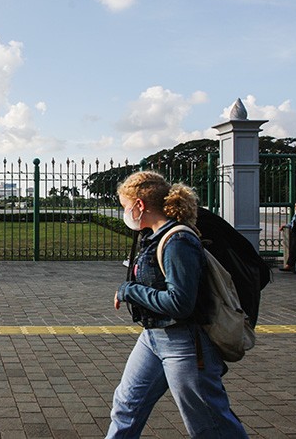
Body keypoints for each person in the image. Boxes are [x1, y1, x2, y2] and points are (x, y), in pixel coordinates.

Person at [107, 171, 247, 438]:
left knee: (209, 423)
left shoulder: (178, 241)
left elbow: (180, 303)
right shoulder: (155, 237)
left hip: (185, 343)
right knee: (126, 406)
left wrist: (130, 290)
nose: (124, 213)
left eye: (125, 206)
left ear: (140, 205)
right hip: (153, 337)